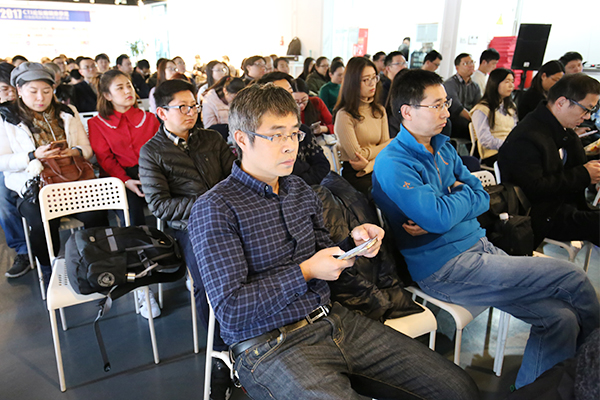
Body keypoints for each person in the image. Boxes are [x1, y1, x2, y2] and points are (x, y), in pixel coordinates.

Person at [188, 82, 480, 400]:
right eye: (276, 135)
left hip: (332, 320)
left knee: (458, 388)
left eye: (294, 134)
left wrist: (354, 243)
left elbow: (326, 254)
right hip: (268, 346)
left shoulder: (298, 190)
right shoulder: (216, 207)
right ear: (242, 139)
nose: (290, 146)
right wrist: (306, 272)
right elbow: (231, 310)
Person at [371, 68, 600, 390]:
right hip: (446, 267)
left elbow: (482, 197)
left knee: (559, 318)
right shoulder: (394, 162)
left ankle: (535, 393)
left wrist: (451, 202)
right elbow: (440, 218)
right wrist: (454, 201)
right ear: (407, 112)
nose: (446, 112)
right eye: (436, 105)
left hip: (481, 248)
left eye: (445, 103)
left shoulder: (444, 147)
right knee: (572, 277)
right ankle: (592, 374)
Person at [138, 78, 235, 399]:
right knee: (208, 283)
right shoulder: (152, 152)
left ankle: (255, 334)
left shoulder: (212, 138)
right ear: (162, 113)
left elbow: (234, 176)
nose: (191, 112)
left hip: (230, 216)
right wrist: (209, 203)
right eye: (182, 107)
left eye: (194, 105)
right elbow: (160, 206)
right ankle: (219, 352)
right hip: (189, 226)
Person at [0, 63, 107, 286]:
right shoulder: (6, 117)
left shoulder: (68, 112)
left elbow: (87, 149)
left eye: (47, 91)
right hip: (33, 187)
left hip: (72, 181)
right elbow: (3, 161)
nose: (41, 98)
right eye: (33, 91)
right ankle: (49, 271)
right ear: (19, 90)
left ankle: (94, 264)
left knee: (96, 215)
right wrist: (32, 156)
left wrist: (74, 151)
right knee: (42, 223)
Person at [498, 73, 600, 247]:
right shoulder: (527, 136)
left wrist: (591, 173)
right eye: (586, 109)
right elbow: (533, 189)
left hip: (564, 205)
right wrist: (584, 174)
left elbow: (576, 167)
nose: (588, 117)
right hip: (541, 215)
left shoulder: (563, 128)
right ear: (561, 103)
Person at [88, 69, 159, 226]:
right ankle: (139, 241)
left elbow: (159, 151)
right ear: (107, 96)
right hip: (116, 178)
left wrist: (150, 172)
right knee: (132, 214)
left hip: (150, 172)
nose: (128, 91)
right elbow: (105, 159)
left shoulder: (149, 118)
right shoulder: (97, 124)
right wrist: (126, 181)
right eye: (120, 88)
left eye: (129, 86)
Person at [256, 73, 331, 185]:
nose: (290, 99)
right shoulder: (261, 136)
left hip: (308, 188)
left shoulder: (303, 130)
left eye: (290, 93)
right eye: (281, 94)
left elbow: (322, 165)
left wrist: (302, 185)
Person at [334, 57, 390, 195]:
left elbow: (387, 150)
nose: (372, 83)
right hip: (356, 175)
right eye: (366, 80)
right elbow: (357, 157)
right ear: (353, 83)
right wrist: (387, 145)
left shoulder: (379, 111)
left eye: (374, 78)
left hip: (377, 167)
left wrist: (369, 165)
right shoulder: (345, 115)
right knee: (387, 194)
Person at [0, 62, 31, 278]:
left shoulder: (30, 108)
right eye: (4, 89)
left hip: (32, 164)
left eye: (14, 89)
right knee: (3, 199)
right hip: (7, 166)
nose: (10, 94)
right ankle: (23, 250)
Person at [470, 68, 517, 166]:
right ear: (495, 83)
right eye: (507, 81)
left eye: (512, 81)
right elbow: (485, 139)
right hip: (492, 153)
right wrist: (507, 145)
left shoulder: (510, 107)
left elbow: (515, 131)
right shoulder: (482, 108)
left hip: (510, 149)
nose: (511, 85)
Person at [444, 53, 481, 139]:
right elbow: (457, 108)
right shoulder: (450, 84)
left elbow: (478, 106)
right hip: (455, 120)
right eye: (466, 63)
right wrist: (474, 120)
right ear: (457, 67)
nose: (471, 65)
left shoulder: (475, 86)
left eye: (472, 62)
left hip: (471, 119)